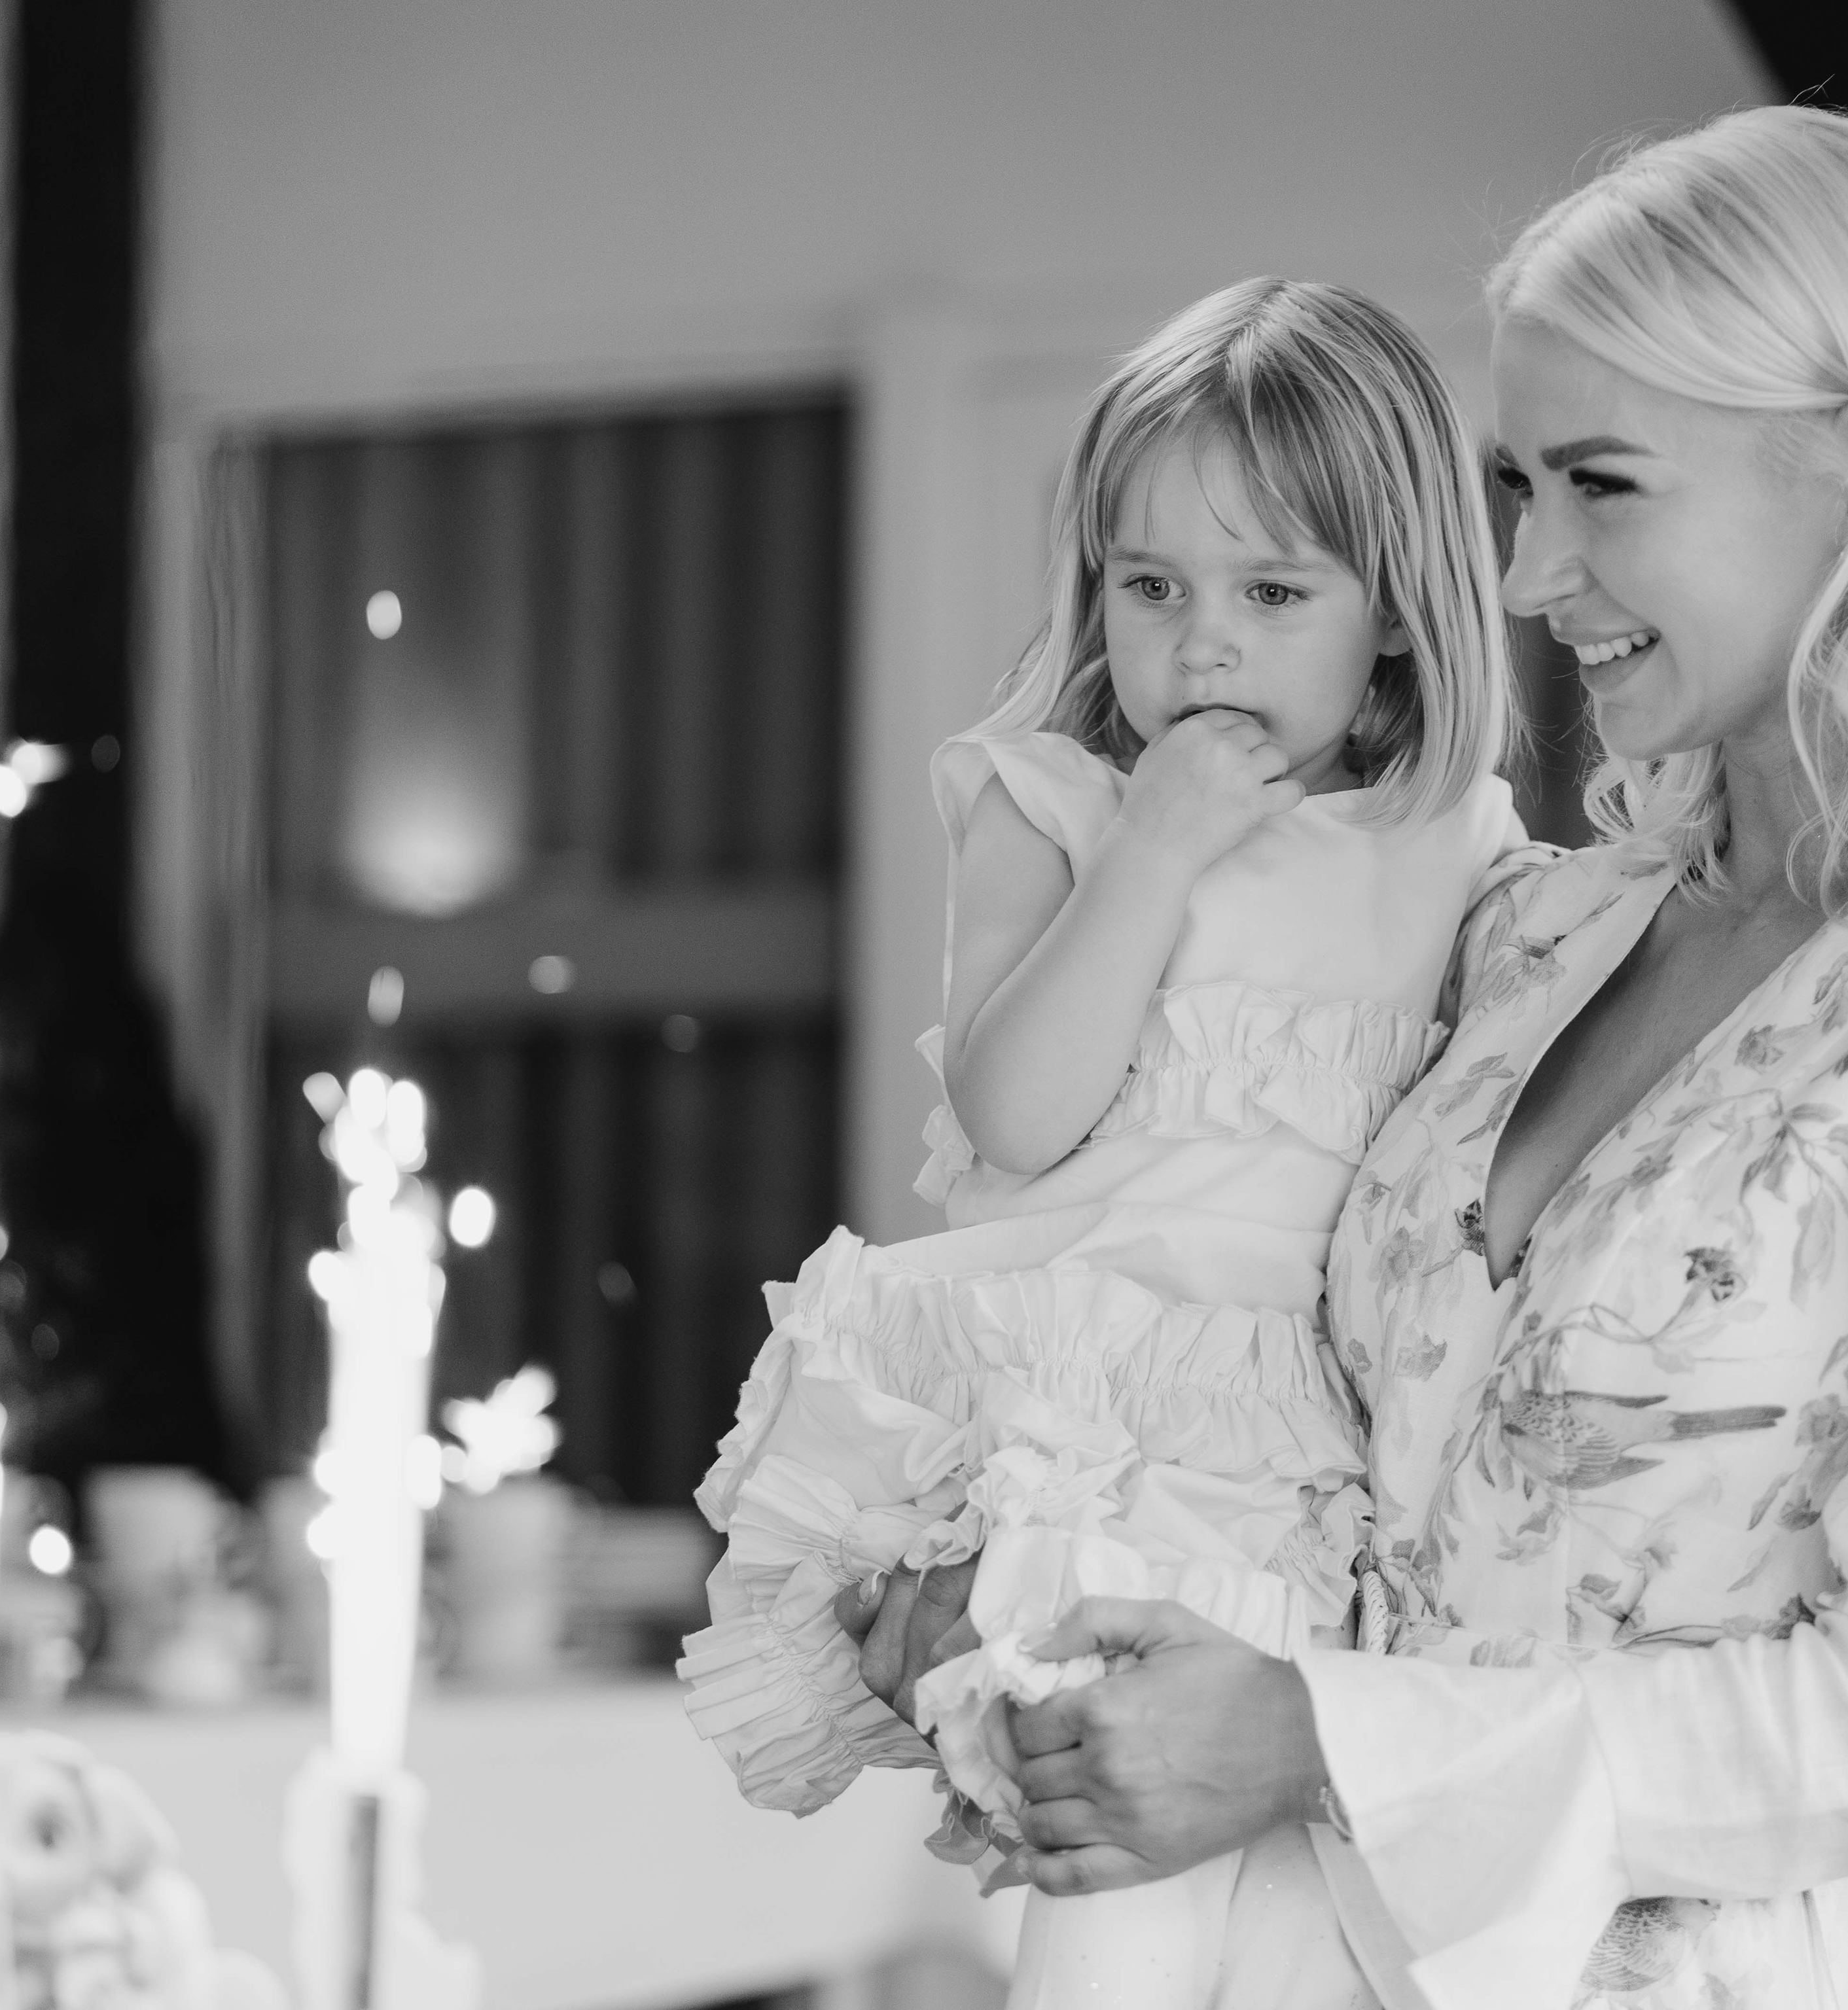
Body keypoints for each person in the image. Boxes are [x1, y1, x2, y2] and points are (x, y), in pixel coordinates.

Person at [843, 106, 1848, 2009]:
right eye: (1519, 487)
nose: (1530, 574)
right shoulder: (1531, 937)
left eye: (1603, 486)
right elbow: (1251, 1353)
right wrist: (1013, 1582)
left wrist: (1318, 1743)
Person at [681, 277, 1521, 2007]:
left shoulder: (1456, 846)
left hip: (1313, 1472)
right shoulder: (1050, 806)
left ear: (1395, 610)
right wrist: (1154, 851)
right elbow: (1017, 1112)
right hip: (1096, 1451)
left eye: (1272, 592)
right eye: (1152, 587)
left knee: (1305, 1938)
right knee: (1109, 1907)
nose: (1201, 646)